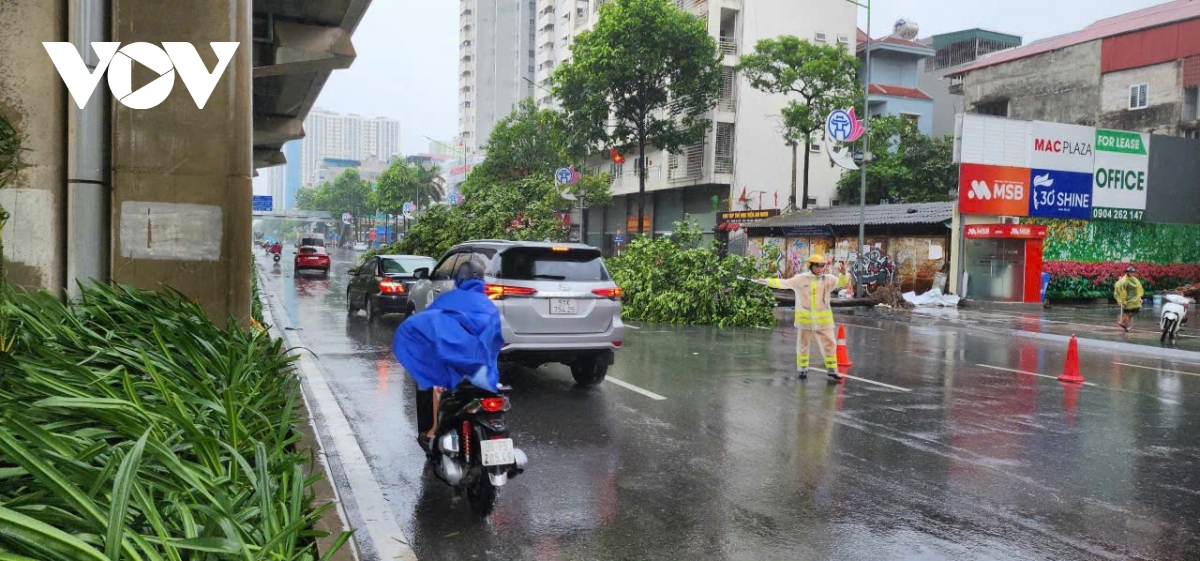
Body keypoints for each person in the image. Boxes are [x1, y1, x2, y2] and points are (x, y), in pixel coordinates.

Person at [392, 259, 505, 449]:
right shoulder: (489, 307)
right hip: (486, 373)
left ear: (460, 281)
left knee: (436, 385)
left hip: (461, 372)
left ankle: (434, 431)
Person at [753, 254, 850, 380]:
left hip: (824, 321)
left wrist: (843, 274)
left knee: (830, 344)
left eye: (822, 265)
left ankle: (832, 370)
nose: (820, 268)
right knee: (803, 345)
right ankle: (802, 370)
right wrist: (766, 281)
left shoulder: (828, 279)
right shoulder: (801, 279)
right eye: (817, 265)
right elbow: (784, 283)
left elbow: (841, 282)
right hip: (805, 320)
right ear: (811, 266)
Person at [1114, 265, 1144, 332]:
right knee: (1127, 313)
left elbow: (1138, 289)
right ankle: (1128, 326)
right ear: (1127, 272)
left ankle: (1122, 321)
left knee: (1137, 310)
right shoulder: (1124, 281)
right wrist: (1123, 300)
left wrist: (1139, 298)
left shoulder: (1135, 280)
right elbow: (1121, 290)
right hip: (1127, 300)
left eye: (1133, 272)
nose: (1132, 273)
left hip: (1135, 299)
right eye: (1131, 272)